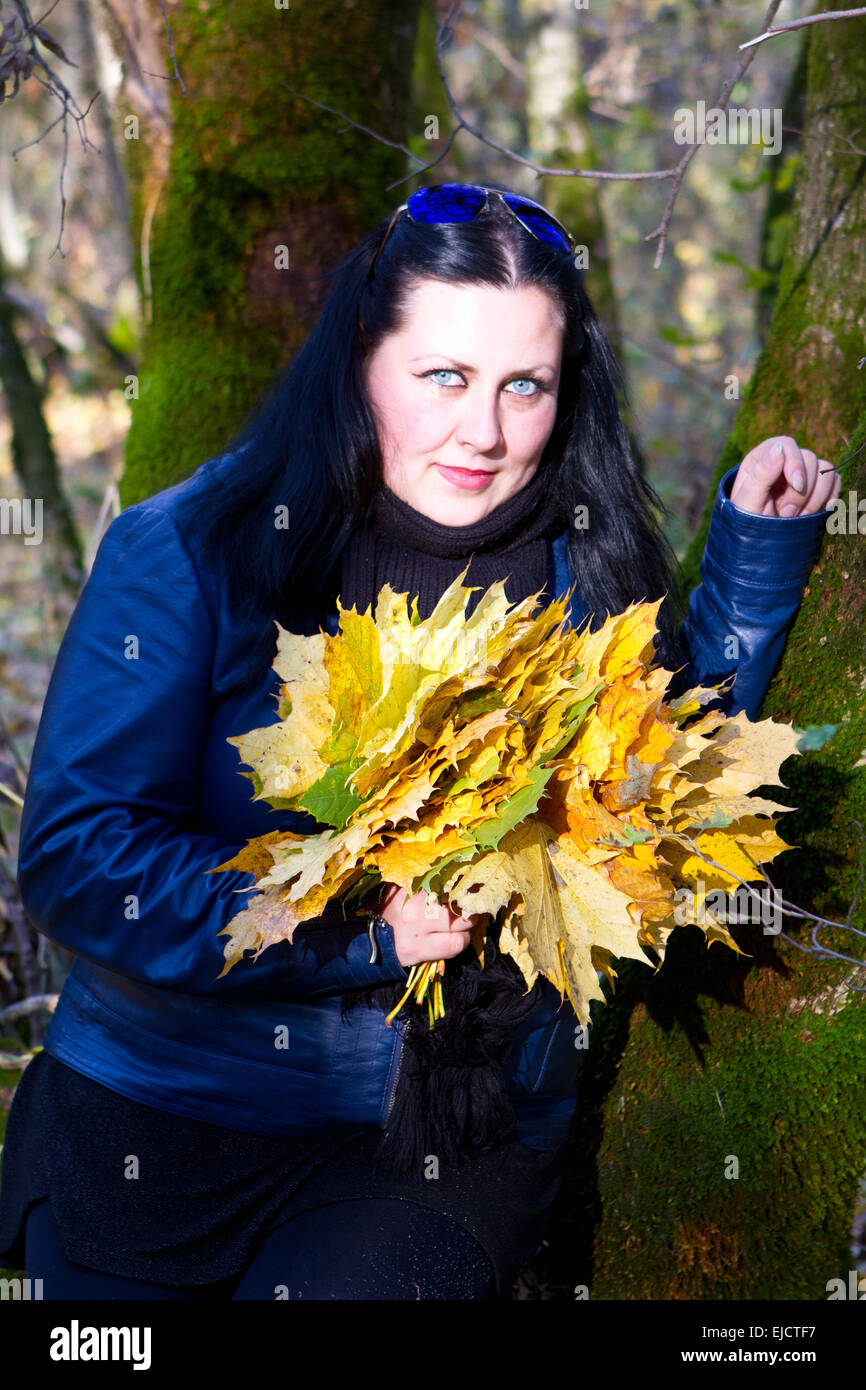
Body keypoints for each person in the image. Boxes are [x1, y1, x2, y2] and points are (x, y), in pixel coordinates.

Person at [0, 182, 840, 1301]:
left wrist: (752, 552)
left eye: (522, 385)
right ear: (359, 359)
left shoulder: (585, 573)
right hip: (159, 1118)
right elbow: (78, 855)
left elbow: (665, 779)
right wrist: (358, 924)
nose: (482, 431)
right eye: (442, 376)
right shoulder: (194, 553)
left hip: (436, 1141)